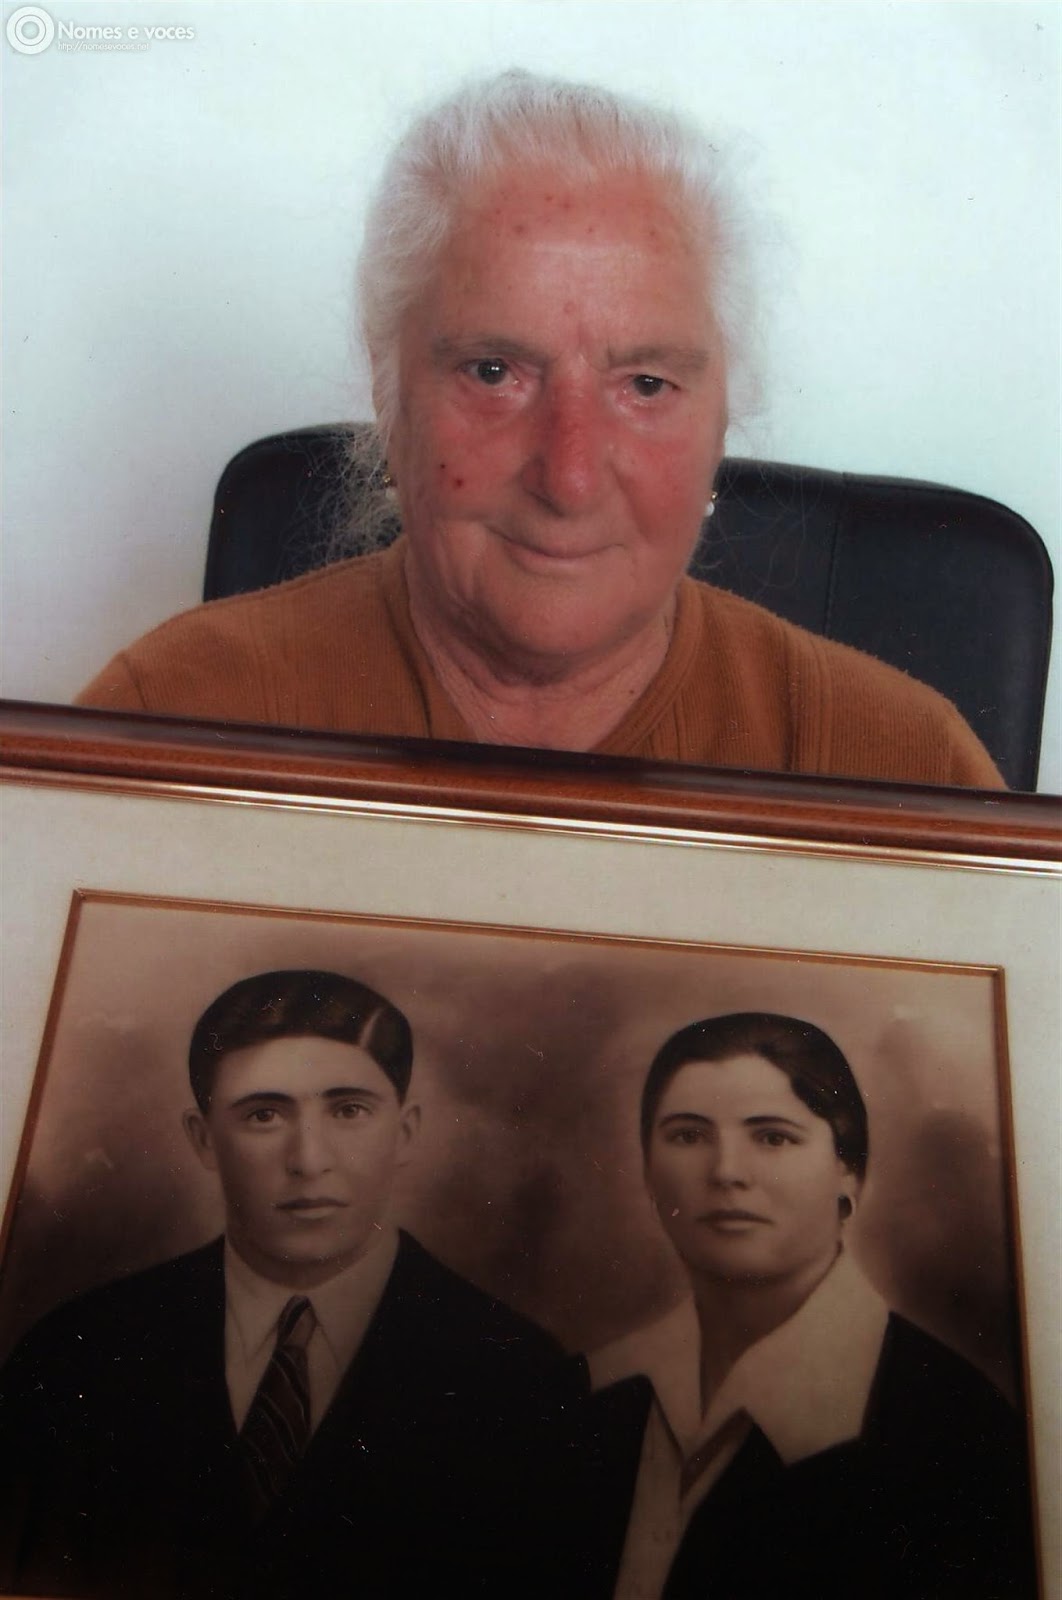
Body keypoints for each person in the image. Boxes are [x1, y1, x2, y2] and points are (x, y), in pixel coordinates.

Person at [77, 71, 1001, 788]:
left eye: (646, 384)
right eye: (494, 373)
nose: (569, 478)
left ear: (723, 419)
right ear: (390, 393)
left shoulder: (912, 770)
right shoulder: (166, 719)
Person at [0, 969, 576, 1599]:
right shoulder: (74, 1356)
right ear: (203, 1140)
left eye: (349, 1110)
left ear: (405, 1130)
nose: (308, 1160)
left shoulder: (521, 1377)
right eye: (264, 1114)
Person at [581, 1012, 1036, 1599]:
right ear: (647, 1172)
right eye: (688, 1136)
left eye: (773, 1137)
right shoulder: (587, 1394)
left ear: (849, 1172)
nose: (726, 1172)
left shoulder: (958, 1431)